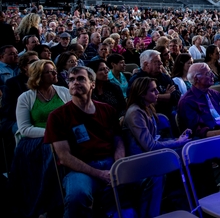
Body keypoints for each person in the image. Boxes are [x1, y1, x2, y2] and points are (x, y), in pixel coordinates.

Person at [45, 66, 163, 218]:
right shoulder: (57, 116)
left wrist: (119, 163)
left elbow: (118, 139)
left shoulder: (107, 110)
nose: (75, 83)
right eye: (71, 80)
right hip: (81, 169)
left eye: (80, 78)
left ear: (92, 84)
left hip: (110, 162)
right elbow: (64, 156)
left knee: (154, 176)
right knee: (77, 195)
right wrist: (99, 174)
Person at [10, 59, 71, 217]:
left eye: (54, 70)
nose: (54, 73)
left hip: (63, 136)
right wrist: (51, 133)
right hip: (35, 139)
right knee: (52, 151)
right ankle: (52, 201)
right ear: (39, 76)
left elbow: (73, 116)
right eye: (50, 72)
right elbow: (24, 128)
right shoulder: (25, 98)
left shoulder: (63, 91)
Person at [123, 76, 191, 155]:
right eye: (153, 90)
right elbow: (150, 146)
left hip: (149, 153)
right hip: (141, 158)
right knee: (186, 151)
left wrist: (178, 139)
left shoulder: (148, 107)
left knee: (189, 144)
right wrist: (177, 142)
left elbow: (154, 139)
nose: (157, 92)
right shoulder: (135, 113)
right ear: (142, 94)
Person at [177, 63, 220, 139]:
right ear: (196, 79)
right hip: (208, 141)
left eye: (211, 72)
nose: (213, 75)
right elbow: (197, 132)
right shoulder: (187, 102)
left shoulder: (216, 94)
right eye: (208, 74)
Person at [128, 50, 181, 132]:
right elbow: (138, 99)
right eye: (157, 62)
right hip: (147, 118)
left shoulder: (164, 77)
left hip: (168, 113)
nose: (161, 64)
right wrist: (166, 96)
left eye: (160, 61)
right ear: (146, 64)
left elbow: (177, 95)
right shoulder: (137, 80)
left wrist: (154, 97)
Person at [0, 51, 39, 136]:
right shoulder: (12, 83)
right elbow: (9, 109)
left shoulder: (44, 80)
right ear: (25, 67)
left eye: (38, 61)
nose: (37, 64)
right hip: (15, 120)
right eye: (33, 62)